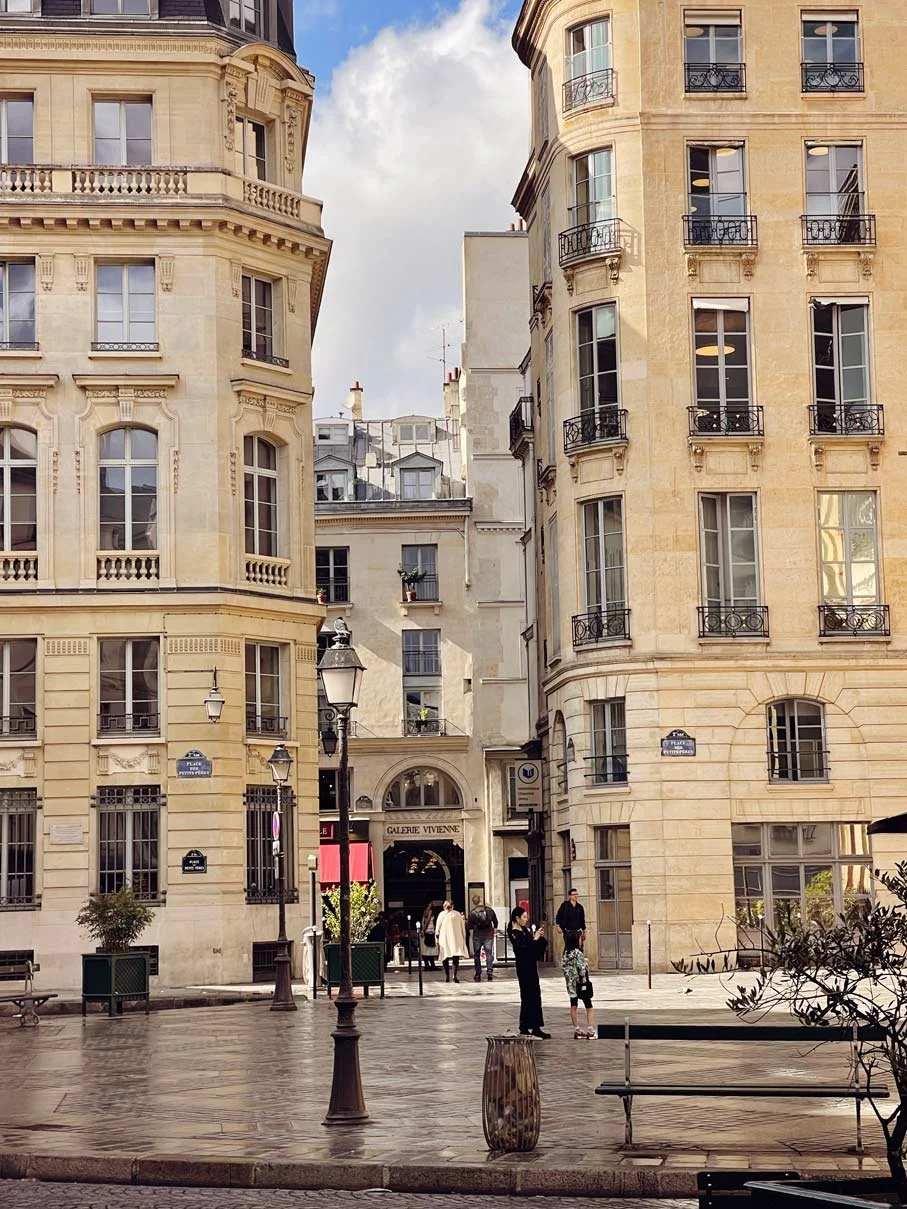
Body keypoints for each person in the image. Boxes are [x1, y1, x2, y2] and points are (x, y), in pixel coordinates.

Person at [508, 906, 550, 1038]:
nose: (526, 920)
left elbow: (532, 947)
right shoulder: (514, 932)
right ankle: (525, 1026)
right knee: (527, 996)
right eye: (524, 917)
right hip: (523, 967)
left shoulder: (525, 930)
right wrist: (535, 939)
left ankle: (536, 1026)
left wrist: (538, 938)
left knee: (535, 995)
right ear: (517, 918)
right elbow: (523, 948)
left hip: (531, 965)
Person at [561, 929, 595, 1038]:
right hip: (582, 984)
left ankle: (577, 1029)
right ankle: (590, 1030)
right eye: (580, 938)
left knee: (573, 1005)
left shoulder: (565, 954)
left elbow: (565, 967)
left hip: (571, 985)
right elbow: (582, 970)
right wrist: (585, 963)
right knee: (589, 1006)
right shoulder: (578, 953)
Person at [435, 899, 469, 983]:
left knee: (445, 957)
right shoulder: (457, 914)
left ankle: (447, 976)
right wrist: (463, 938)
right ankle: (454, 975)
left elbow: (437, 928)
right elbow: (463, 928)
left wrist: (436, 938)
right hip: (455, 939)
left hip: (445, 939)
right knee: (455, 957)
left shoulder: (442, 914)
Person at [467, 895, 499, 982]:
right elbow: (495, 922)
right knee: (489, 954)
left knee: (477, 955)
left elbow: (469, 925)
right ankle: (489, 973)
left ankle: (478, 974)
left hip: (477, 935)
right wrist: (494, 932)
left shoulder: (472, 912)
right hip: (488, 934)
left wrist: (472, 934)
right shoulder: (489, 910)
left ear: (474, 902)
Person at [420, 901, 440, 970]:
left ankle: (427, 965)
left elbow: (423, 921)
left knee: (425, 950)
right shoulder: (430, 911)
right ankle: (431, 965)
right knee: (430, 950)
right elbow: (427, 921)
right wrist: (424, 930)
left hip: (426, 932)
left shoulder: (424, 912)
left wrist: (422, 930)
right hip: (429, 931)